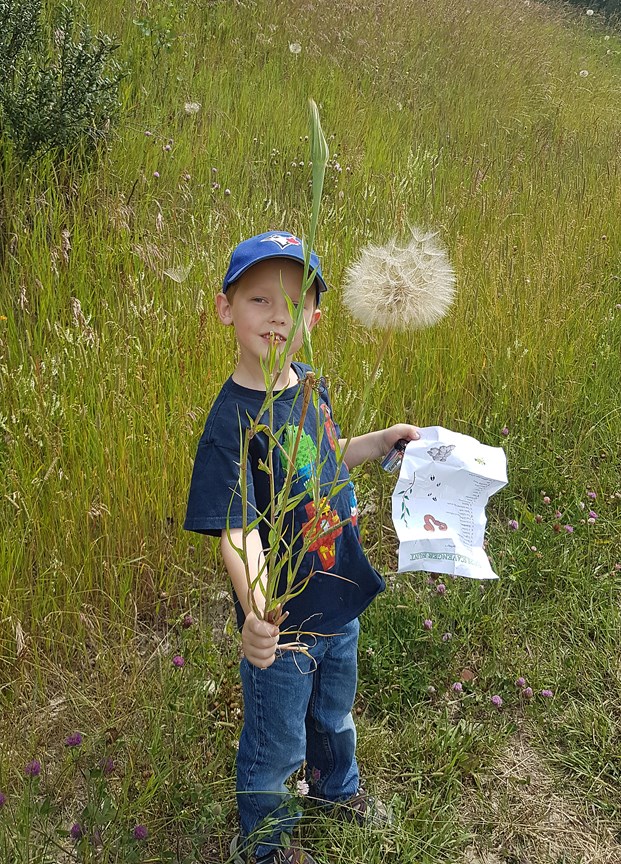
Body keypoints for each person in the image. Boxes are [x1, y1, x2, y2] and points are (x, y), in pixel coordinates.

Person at [184, 231, 419, 864]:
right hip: (284, 620)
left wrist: (377, 443)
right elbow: (237, 527)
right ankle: (265, 842)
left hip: (337, 592)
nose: (278, 316)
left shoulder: (309, 385)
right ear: (225, 308)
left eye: (294, 302)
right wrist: (259, 610)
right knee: (275, 739)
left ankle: (336, 791)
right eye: (260, 298)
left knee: (335, 714)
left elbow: (323, 460)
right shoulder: (230, 422)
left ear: (315, 316)